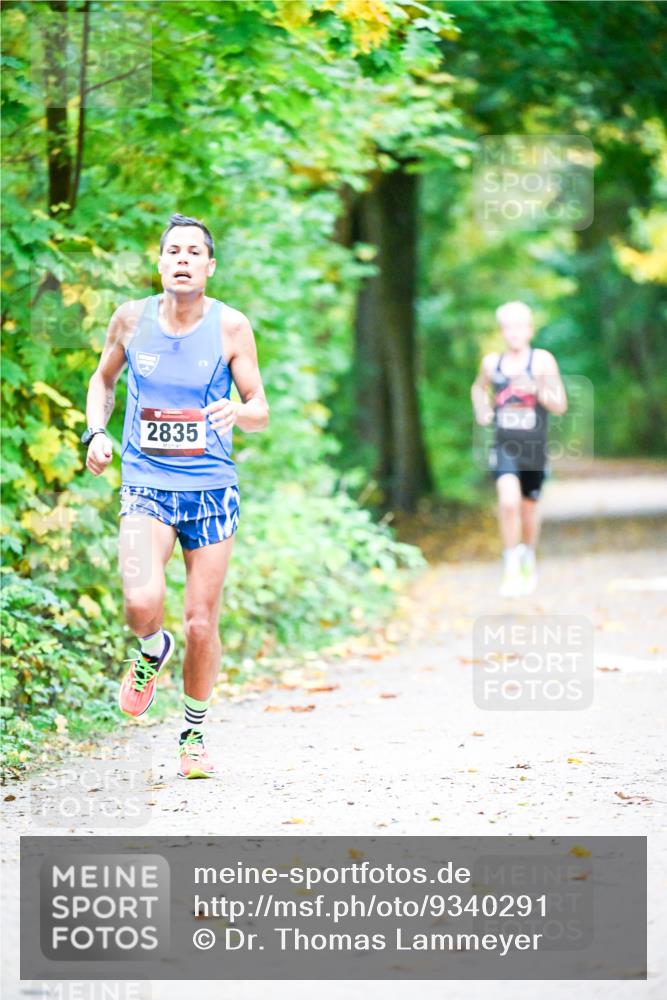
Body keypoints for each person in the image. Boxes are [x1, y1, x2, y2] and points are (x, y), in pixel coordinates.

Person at [83, 213, 269, 777]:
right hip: (146, 485)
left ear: (209, 267)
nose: (183, 259)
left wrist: (237, 409)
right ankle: (148, 650)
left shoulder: (232, 327)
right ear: (160, 262)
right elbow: (102, 381)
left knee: (199, 623)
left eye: (194, 252)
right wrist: (96, 431)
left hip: (212, 491)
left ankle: (192, 734)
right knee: (141, 602)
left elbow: (260, 408)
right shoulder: (130, 320)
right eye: (174, 251)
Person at [471, 301, 567, 597]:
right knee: (508, 501)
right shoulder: (492, 363)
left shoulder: (541, 361)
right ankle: (511, 563)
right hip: (505, 446)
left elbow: (560, 405)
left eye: (519, 327)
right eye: (507, 328)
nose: (513, 333)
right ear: (502, 332)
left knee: (529, 508)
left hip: (534, 448)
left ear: (529, 330)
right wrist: (482, 410)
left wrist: (536, 388)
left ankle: (527, 554)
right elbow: (478, 388)